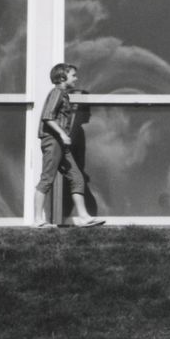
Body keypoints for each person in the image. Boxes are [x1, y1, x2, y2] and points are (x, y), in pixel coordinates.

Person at [33, 62, 103, 228]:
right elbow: (47, 117)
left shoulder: (64, 95)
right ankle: (37, 220)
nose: (76, 78)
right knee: (47, 179)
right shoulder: (57, 92)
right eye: (73, 75)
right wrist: (63, 134)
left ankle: (84, 217)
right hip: (53, 141)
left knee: (77, 178)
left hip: (60, 143)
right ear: (63, 77)